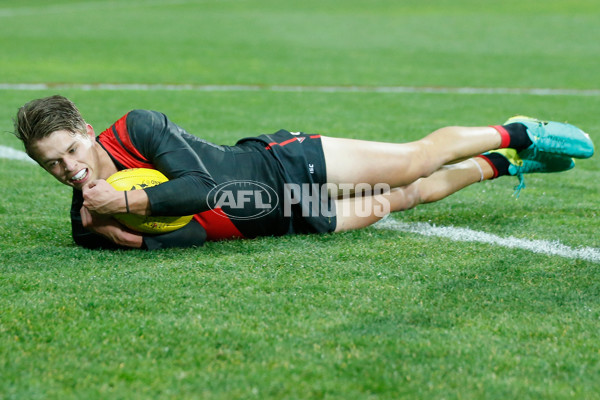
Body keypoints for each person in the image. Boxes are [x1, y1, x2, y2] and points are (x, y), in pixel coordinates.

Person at [13, 95, 594, 250]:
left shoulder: (136, 129)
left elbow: (201, 190)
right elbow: (186, 232)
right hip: (287, 219)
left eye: (69, 151)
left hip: (287, 163)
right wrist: (118, 235)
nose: (67, 169)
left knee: (414, 160)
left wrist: (129, 209)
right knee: (409, 196)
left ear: (85, 129)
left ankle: (520, 132)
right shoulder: (87, 210)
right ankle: (505, 164)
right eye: (51, 164)